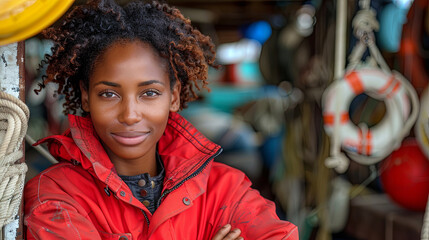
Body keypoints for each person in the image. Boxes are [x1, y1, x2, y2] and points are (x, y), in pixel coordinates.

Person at [23, 0, 299, 239]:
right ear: (85, 98)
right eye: (108, 94)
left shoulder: (224, 188)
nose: (130, 115)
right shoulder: (56, 194)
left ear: (174, 96)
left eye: (150, 93)